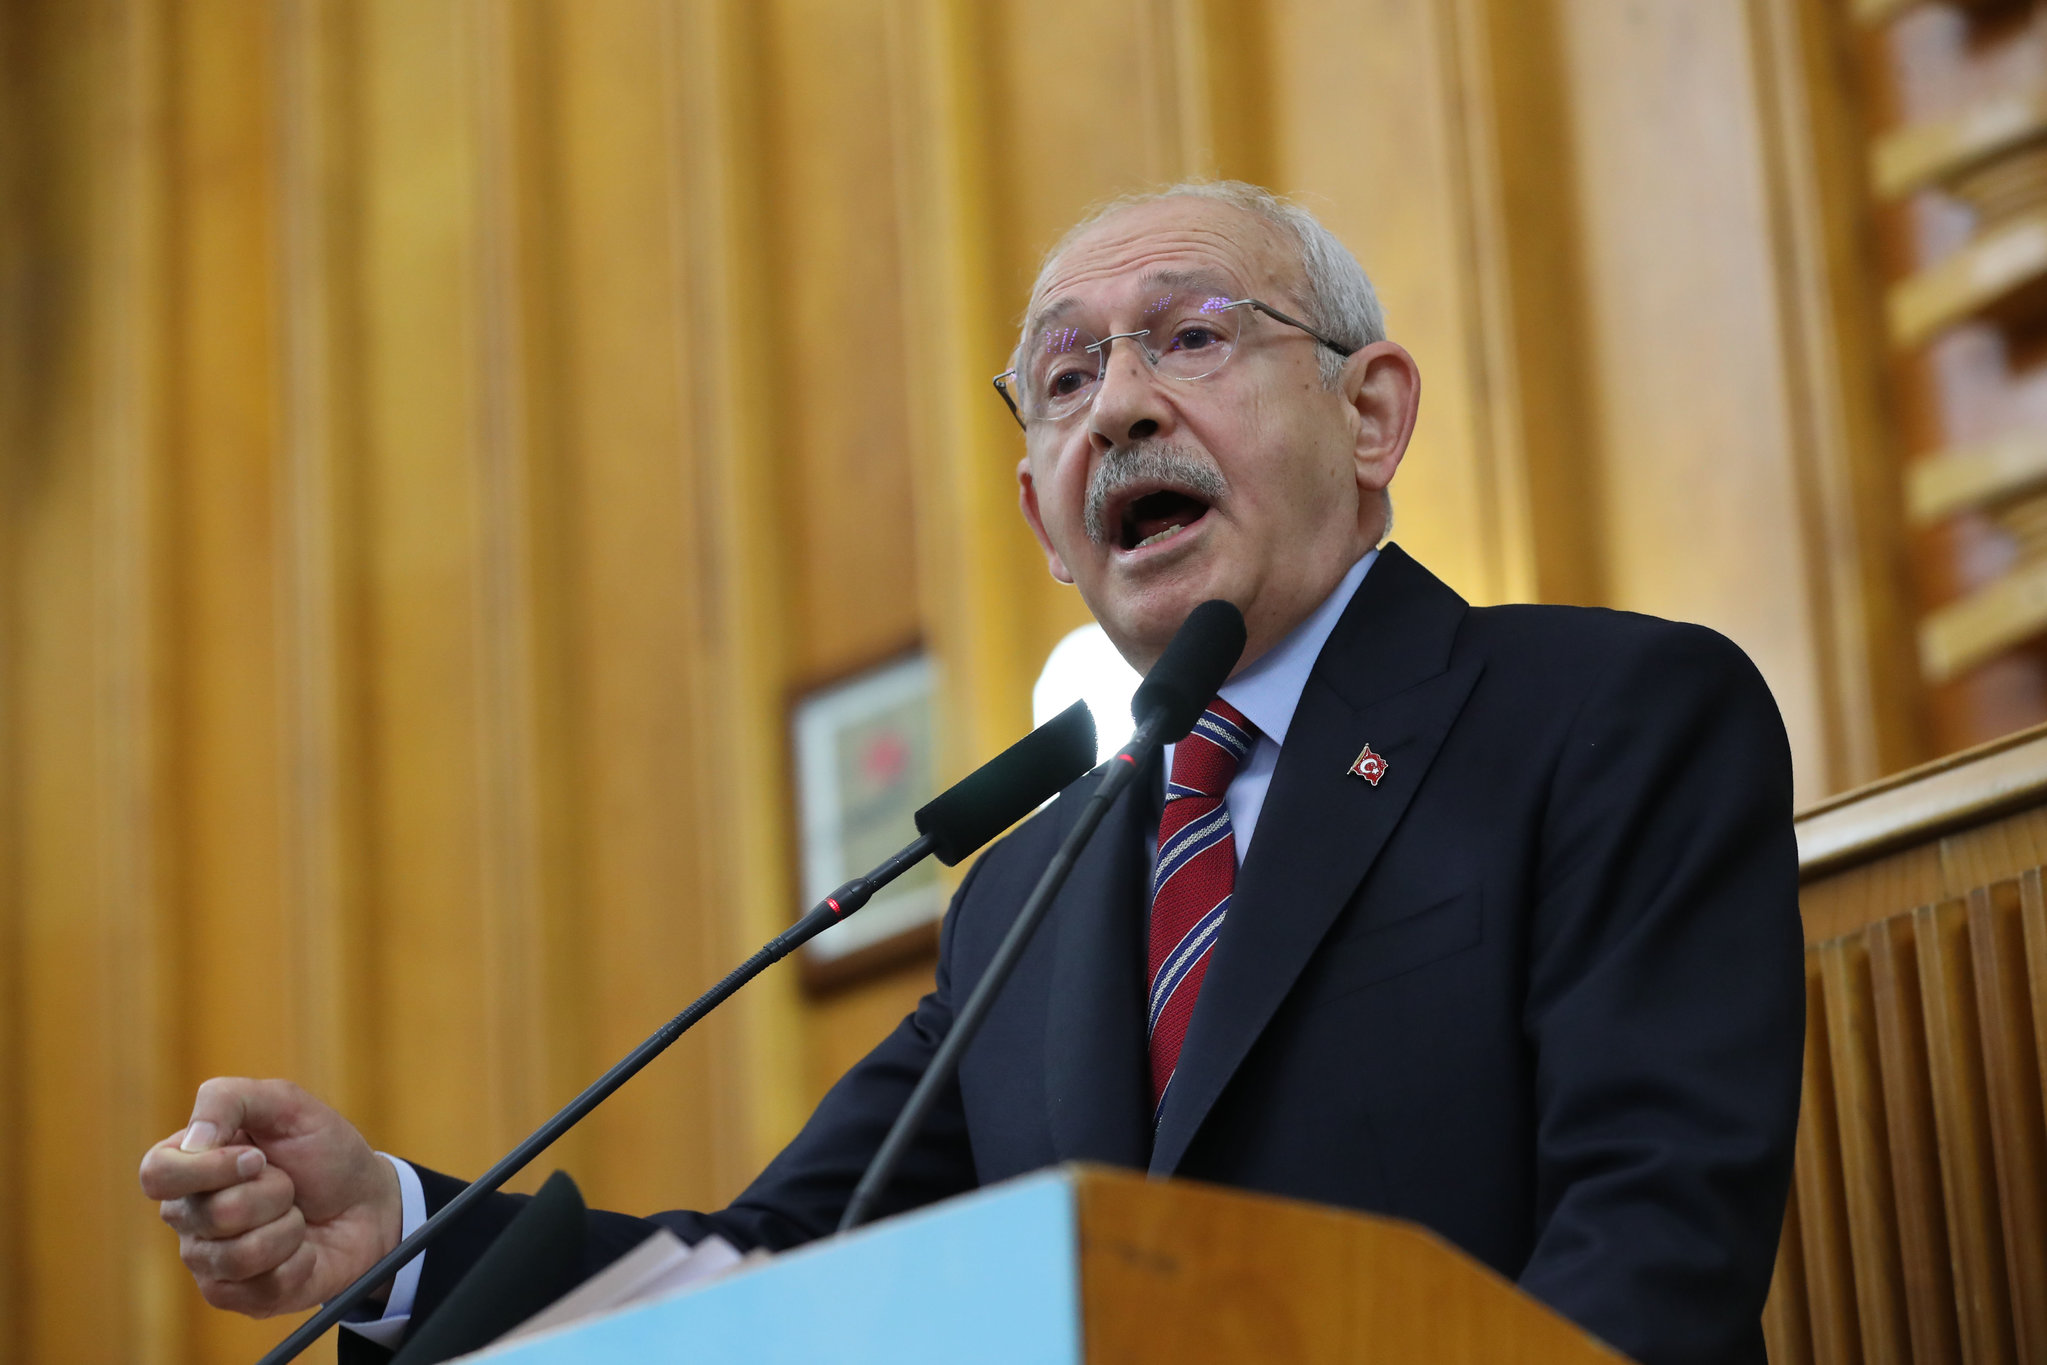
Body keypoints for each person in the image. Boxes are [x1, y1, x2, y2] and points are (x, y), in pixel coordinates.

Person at [139, 182, 1803, 1365]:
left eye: (1191, 337)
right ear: (1043, 520)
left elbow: (1651, 1255)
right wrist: (400, 1240)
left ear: (1370, 415)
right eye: (1067, 378)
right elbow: (766, 1272)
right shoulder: (1028, 892)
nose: (1120, 406)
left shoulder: (1609, 716)